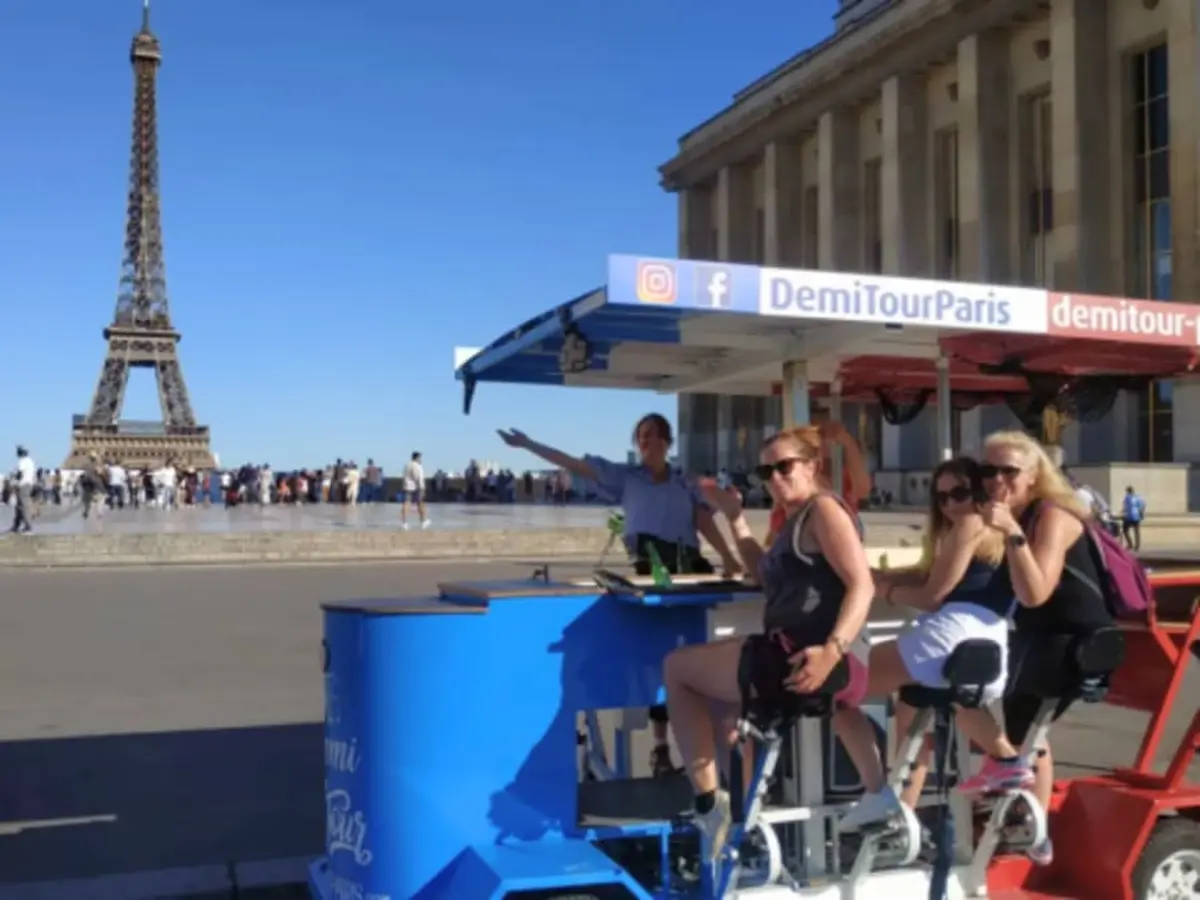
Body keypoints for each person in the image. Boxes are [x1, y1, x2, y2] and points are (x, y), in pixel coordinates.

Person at [665, 426, 879, 859]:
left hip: (801, 657)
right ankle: (738, 817)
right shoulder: (794, 520)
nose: (775, 478)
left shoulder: (823, 511)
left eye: (784, 466)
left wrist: (833, 649)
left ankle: (710, 807)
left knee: (677, 669)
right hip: (797, 655)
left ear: (813, 466)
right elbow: (763, 575)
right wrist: (735, 516)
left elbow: (864, 585)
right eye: (767, 470)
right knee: (721, 708)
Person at [498, 413, 743, 776]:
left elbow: (702, 521)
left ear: (665, 441)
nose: (643, 443)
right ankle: (661, 748)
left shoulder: (683, 483)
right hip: (650, 574)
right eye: (639, 437)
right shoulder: (626, 478)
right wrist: (529, 444)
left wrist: (727, 557)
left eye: (649, 436)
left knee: (698, 656)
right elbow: (576, 465)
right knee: (658, 661)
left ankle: (716, 754)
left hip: (690, 574)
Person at [844, 457, 1025, 827]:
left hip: (947, 634)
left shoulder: (970, 524)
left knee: (837, 686)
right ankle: (905, 809)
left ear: (979, 490)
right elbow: (940, 576)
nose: (950, 504)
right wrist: (886, 575)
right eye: (941, 497)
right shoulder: (998, 530)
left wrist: (882, 589)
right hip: (987, 637)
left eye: (959, 492)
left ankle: (878, 793)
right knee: (914, 713)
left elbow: (931, 597)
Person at [978, 430, 1112, 867]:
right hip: (1037, 634)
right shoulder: (1016, 515)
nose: (997, 479)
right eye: (988, 471)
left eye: (1009, 471)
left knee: (1023, 723)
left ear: (1034, 475)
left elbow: (1034, 591)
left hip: (1079, 641)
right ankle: (1034, 821)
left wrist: (1013, 534)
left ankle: (1032, 825)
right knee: (1024, 725)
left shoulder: (1054, 515)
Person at [765, 418, 870, 543]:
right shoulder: (790, 491)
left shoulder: (838, 480)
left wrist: (848, 442)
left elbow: (862, 489)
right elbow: (772, 541)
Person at [402, 452, 430, 529]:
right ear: (417, 458)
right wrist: (422, 488)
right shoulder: (417, 466)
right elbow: (418, 477)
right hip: (416, 487)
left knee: (406, 503)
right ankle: (423, 520)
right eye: (420, 458)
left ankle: (404, 522)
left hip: (407, 486)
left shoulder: (407, 465)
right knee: (420, 503)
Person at [1122, 485, 1145, 551]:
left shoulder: (1127, 497)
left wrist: (1123, 513)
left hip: (1129, 517)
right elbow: (1142, 506)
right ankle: (1137, 546)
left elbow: (1125, 507)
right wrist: (1141, 514)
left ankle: (1130, 544)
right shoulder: (1137, 497)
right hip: (1136, 516)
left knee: (1125, 530)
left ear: (1128, 491)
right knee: (1136, 532)